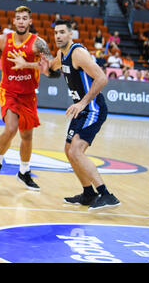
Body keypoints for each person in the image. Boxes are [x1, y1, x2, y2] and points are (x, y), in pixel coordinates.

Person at [38, 19, 120, 211]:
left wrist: (82, 103)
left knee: (76, 151)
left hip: (92, 108)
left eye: (62, 32)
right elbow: (53, 70)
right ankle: (88, 193)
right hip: (81, 110)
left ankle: (106, 195)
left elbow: (101, 79)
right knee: (69, 151)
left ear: (70, 34)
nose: (58, 35)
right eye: (56, 32)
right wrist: (42, 69)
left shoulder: (78, 53)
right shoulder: (61, 53)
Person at [0, 5, 53, 190]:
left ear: (30, 21)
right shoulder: (2, 40)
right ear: (14, 21)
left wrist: (29, 64)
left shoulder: (39, 43)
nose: (22, 21)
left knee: (27, 135)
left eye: (25, 18)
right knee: (11, 128)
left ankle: (24, 172)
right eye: (19, 18)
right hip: (8, 91)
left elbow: (50, 70)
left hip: (28, 94)